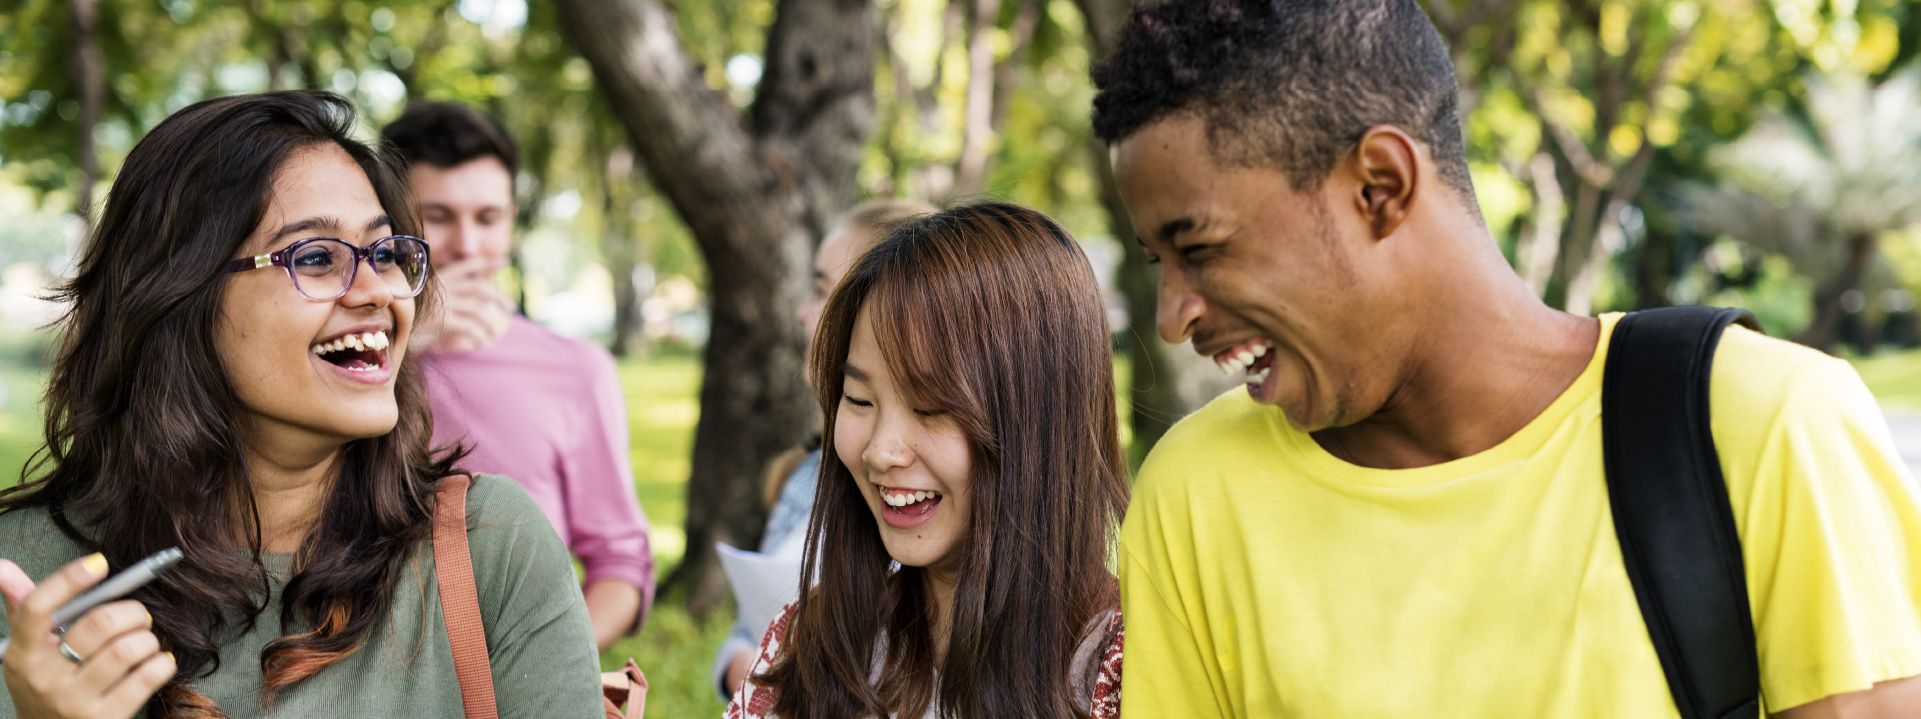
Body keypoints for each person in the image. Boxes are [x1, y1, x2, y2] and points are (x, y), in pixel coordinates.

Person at [1091, 0, 1921, 716]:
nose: (1172, 318)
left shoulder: (1762, 423)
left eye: (1197, 248)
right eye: (1158, 261)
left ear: (1379, 186)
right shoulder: (1195, 493)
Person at [0, 91, 603, 717]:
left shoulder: (490, 546)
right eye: (316, 258)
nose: (376, 291)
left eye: (386, 252)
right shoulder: (30, 580)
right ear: (179, 296)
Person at [726, 202, 1129, 719]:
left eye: (931, 408)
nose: (880, 450)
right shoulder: (809, 642)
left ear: (1040, 419)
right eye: (859, 400)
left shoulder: (1128, 673)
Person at [382, 102, 655, 649]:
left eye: (488, 218)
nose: (467, 244)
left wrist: (546, 669)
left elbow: (621, 562)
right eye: (438, 216)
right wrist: (405, 339)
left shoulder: (577, 370)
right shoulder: (354, 359)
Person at [713, 199, 934, 701]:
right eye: (858, 402)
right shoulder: (802, 478)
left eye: (822, 292)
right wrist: (751, 667)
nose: (883, 456)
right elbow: (748, 635)